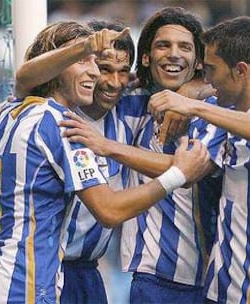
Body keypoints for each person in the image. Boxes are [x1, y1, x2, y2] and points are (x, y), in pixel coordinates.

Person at [0, 21, 209, 304]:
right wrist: (177, 173)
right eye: (86, 62)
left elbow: (23, 78)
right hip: (30, 283)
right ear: (57, 64)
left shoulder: (9, 111)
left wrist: (190, 92)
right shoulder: (65, 127)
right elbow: (109, 209)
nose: (95, 73)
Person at [60, 7, 225, 304]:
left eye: (184, 47)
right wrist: (18, 99)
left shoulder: (217, 111)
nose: (174, 54)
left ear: (198, 61)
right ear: (147, 58)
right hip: (149, 278)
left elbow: (194, 168)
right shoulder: (129, 103)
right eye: (163, 45)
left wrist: (189, 92)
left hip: (212, 280)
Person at [148, 16, 250, 303]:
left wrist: (194, 106)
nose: (207, 81)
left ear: (240, 71)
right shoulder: (228, 112)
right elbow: (186, 169)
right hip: (221, 286)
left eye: (211, 70)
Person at [14, 20, 138, 303]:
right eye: (103, 68)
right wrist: (179, 173)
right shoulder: (48, 116)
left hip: (88, 272)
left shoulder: (131, 112)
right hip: (46, 269)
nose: (112, 82)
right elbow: (24, 78)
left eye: (123, 73)